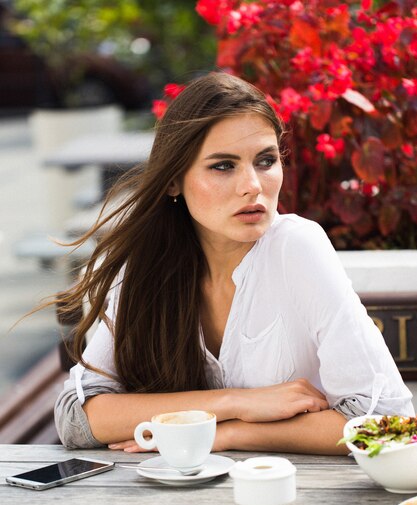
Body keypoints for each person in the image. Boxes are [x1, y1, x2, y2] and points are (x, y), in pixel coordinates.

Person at [54, 71, 414, 454]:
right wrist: (235, 403)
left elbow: (387, 424)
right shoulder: (145, 264)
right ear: (174, 180)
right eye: (223, 165)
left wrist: (230, 433)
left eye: (265, 160)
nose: (253, 185)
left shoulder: (296, 247)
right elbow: (77, 419)